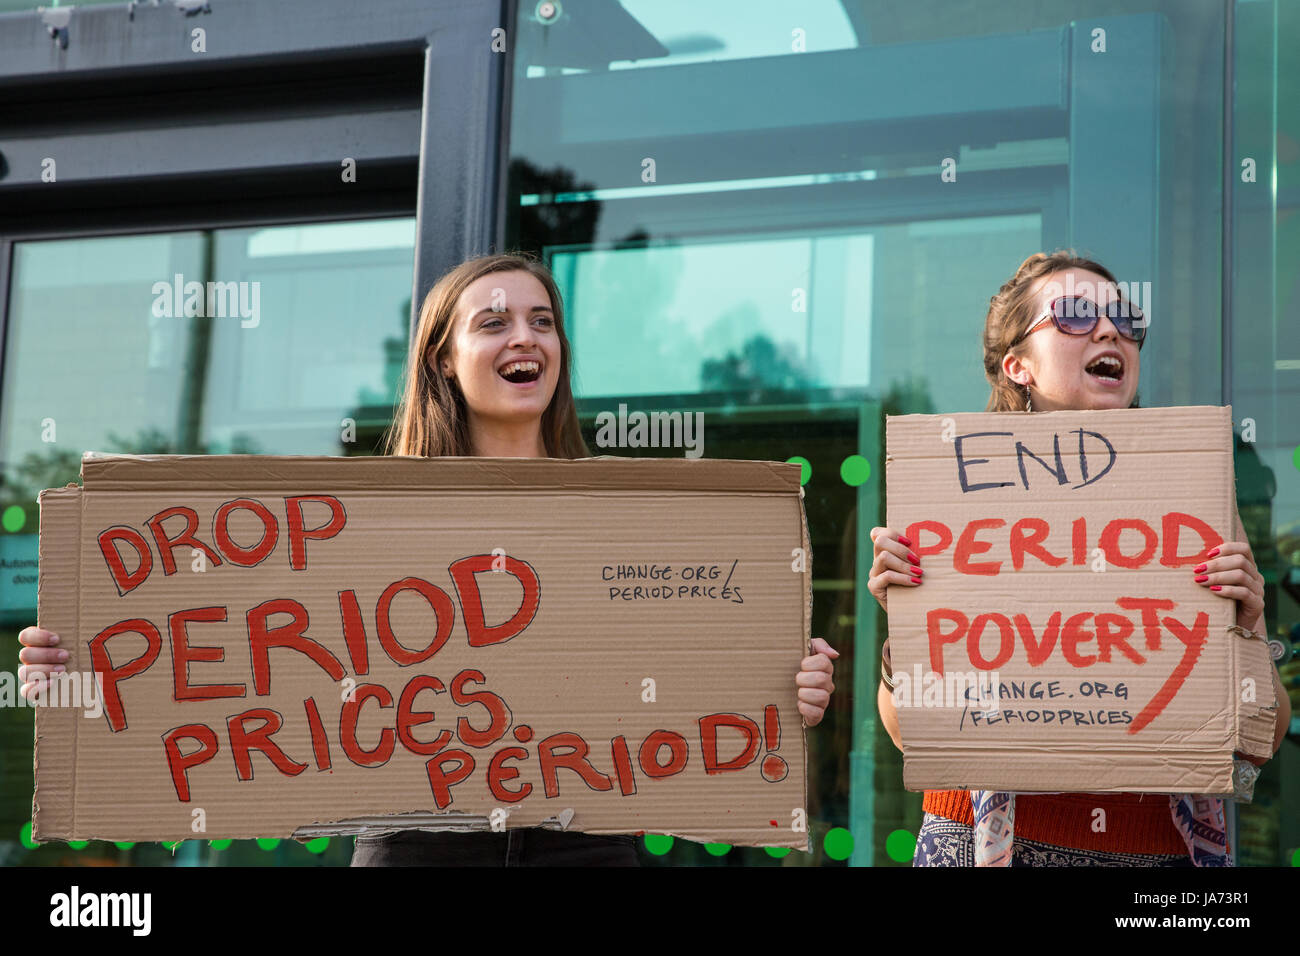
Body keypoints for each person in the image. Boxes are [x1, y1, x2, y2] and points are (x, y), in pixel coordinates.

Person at [17, 252, 838, 866]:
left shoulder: (631, 520)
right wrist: (81, 677)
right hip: (414, 841)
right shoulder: (366, 523)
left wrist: (782, 689)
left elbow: (691, 678)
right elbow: (251, 657)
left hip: (585, 843)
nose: (526, 336)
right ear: (444, 358)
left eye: (542, 320)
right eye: (494, 321)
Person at [868, 250, 1291, 867]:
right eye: (1072, 314)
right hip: (987, 843)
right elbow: (911, 732)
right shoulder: (955, 509)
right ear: (1019, 366)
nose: (1109, 330)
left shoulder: (1192, 499)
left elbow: (1262, 740)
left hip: (1154, 854)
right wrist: (907, 630)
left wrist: (1248, 629)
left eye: (1125, 318)